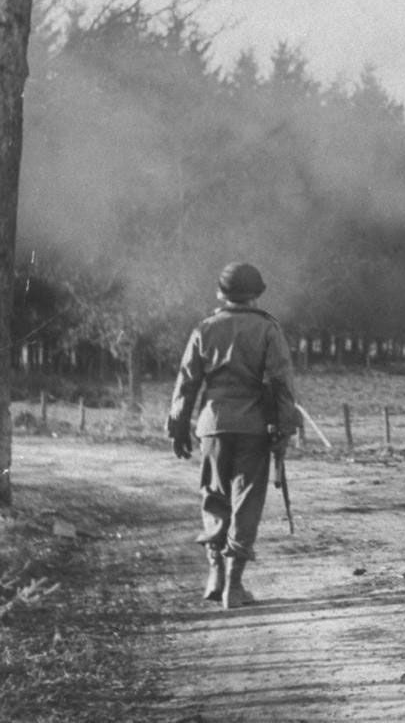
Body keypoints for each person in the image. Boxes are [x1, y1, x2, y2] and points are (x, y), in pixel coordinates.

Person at [167, 261, 299, 610]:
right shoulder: (269, 330)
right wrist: (284, 428)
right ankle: (234, 585)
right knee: (246, 503)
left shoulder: (204, 329)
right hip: (255, 427)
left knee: (214, 495)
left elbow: (186, 381)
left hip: (212, 425)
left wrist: (178, 424)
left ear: (220, 293)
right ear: (257, 295)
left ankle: (214, 574)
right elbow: (282, 384)